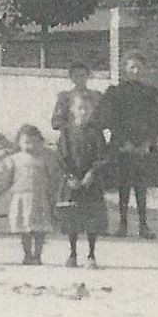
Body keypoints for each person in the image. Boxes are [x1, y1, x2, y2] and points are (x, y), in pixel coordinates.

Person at [100, 51, 158, 239]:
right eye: (131, 67)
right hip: (123, 146)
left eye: (139, 67)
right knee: (123, 185)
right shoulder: (116, 93)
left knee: (141, 187)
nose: (135, 71)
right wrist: (122, 141)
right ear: (124, 69)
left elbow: (155, 120)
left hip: (143, 147)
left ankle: (143, 225)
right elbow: (112, 119)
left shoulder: (149, 93)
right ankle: (123, 224)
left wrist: (147, 143)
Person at [55, 94, 110, 268]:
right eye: (80, 108)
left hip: (91, 182)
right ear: (72, 110)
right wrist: (69, 176)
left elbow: (102, 156)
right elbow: (61, 157)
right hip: (72, 181)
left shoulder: (96, 133)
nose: (84, 112)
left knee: (91, 217)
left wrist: (91, 173)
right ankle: (72, 254)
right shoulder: (66, 133)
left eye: (87, 108)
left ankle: (91, 255)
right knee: (73, 217)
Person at [1, 124, 58, 266]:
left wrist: (53, 194)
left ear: (40, 141)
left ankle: (37, 255)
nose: (30, 145)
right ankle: (27, 255)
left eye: (33, 142)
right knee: (24, 228)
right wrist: (0, 189)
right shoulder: (14, 159)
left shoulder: (45, 157)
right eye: (26, 142)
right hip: (21, 197)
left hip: (40, 198)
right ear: (19, 142)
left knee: (40, 229)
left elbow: (52, 177)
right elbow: (7, 179)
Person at [49, 63, 101, 134]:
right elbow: (55, 122)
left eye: (82, 75)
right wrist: (71, 126)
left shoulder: (96, 96)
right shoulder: (64, 98)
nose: (80, 78)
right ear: (71, 78)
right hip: (72, 138)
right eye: (76, 76)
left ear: (87, 76)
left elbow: (105, 119)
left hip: (92, 138)